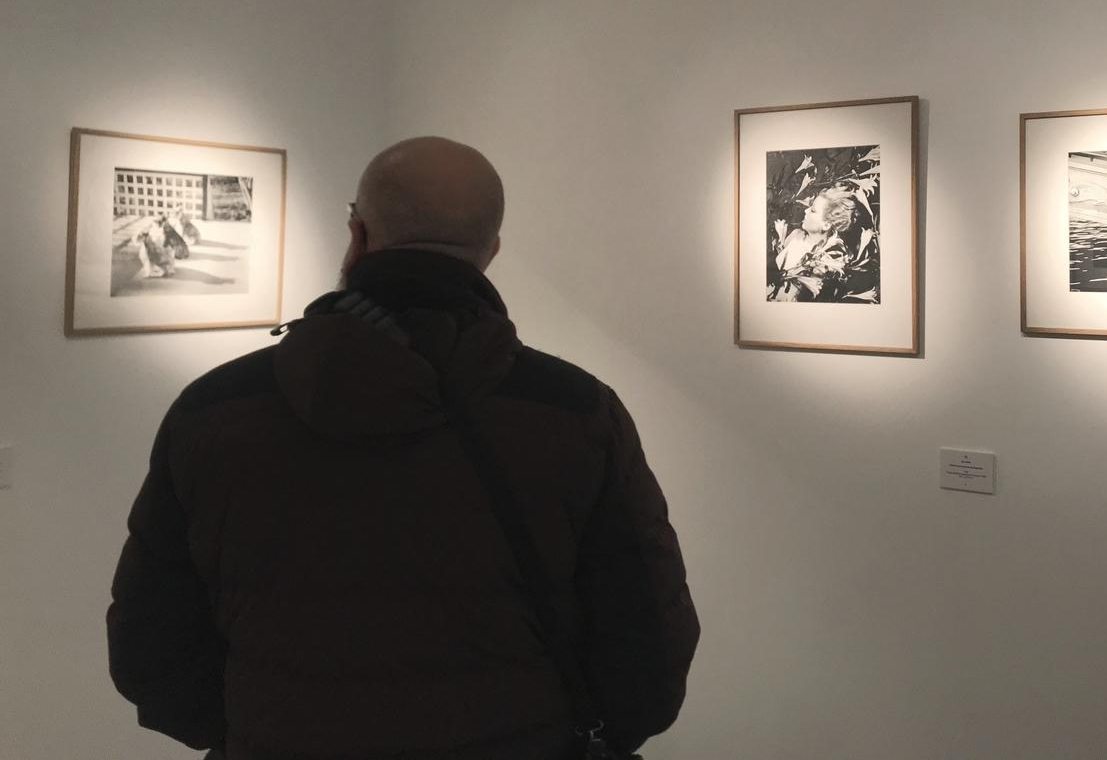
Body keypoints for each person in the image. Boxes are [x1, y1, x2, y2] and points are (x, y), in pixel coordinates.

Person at [107, 137, 700, 760]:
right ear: (490, 252)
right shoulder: (575, 412)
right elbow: (649, 657)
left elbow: (151, 651)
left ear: (356, 234)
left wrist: (258, 729)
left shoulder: (214, 410)